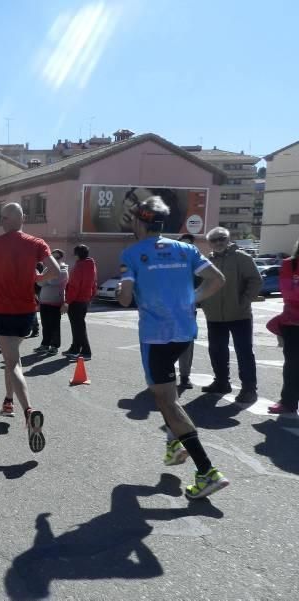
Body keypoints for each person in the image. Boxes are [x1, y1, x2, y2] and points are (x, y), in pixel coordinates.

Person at [117, 196, 229, 499]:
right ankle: (174, 442)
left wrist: (121, 288)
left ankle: (206, 470)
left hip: (156, 336)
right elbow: (217, 280)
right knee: (166, 394)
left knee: (166, 400)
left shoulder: (132, 253)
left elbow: (125, 299)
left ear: (140, 222)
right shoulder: (186, 248)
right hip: (184, 333)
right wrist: (192, 299)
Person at [0, 203, 58, 453]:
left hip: (3, 311)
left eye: (2, 217)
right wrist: (36, 278)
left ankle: (28, 411)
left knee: (12, 364)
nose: (1, 221)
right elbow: (55, 271)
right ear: (22, 219)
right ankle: (8, 402)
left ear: (9, 220)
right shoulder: (37, 242)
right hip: (26, 313)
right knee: (13, 357)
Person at [199, 227, 262, 403]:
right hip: (214, 316)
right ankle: (221, 382)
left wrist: (244, 301)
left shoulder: (242, 258)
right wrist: (203, 302)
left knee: (244, 353)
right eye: (214, 240)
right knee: (217, 351)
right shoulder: (206, 261)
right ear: (209, 243)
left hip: (239, 315)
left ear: (228, 239)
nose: (219, 242)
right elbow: (201, 284)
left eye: (222, 238)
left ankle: (249, 389)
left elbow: (256, 280)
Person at [265, 244, 299, 415]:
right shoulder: (289, 264)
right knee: (292, 365)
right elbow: (289, 293)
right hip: (293, 324)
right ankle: (288, 402)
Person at [62, 244, 97, 361]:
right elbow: (94, 283)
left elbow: (74, 286)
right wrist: (90, 297)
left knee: (78, 327)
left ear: (77, 254)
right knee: (78, 326)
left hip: (76, 300)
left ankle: (86, 352)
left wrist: (67, 302)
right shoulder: (91, 265)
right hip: (84, 300)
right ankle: (75, 348)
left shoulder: (79, 267)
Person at [177, 234, 199, 389]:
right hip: (167, 309)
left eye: (189, 245)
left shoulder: (197, 263)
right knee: (165, 342)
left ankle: (185, 376)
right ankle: (165, 374)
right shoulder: (166, 261)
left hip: (188, 310)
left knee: (186, 344)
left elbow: (205, 282)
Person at [36, 249, 69, 355]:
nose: (54, 259)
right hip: (44, 301)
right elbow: (39, 283)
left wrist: (44, 278)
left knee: (54, 325)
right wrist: (45, 278)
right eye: (52, 257)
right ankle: (45, 344)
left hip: (55, 301)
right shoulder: (47, 269)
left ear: (61, 258)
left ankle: (54, 346)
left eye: (57, 257)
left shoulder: (63, 270)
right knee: (45, 325)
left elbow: (52, 281)